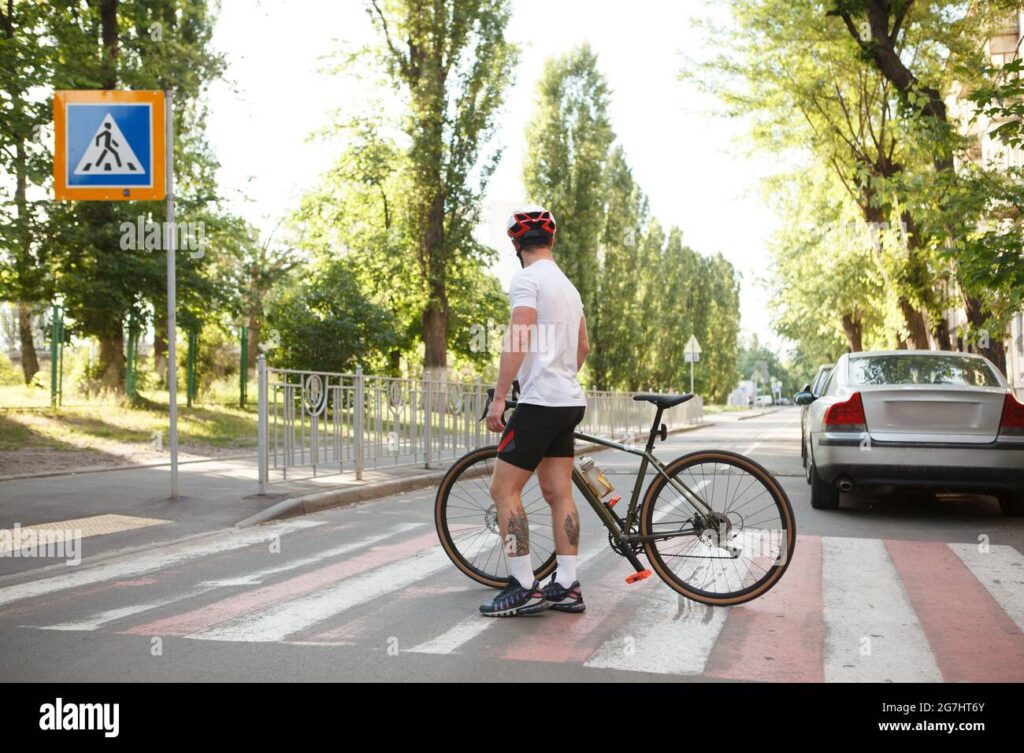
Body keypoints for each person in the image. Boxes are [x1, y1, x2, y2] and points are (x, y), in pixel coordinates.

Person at [479, 206, 590, 617]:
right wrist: (559, 376)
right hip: (568, 401)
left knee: (502, 490)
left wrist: (500, 396)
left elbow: (519, 333)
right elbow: (583, 348)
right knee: (558, 492)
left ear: (515, 244)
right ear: (552, 241)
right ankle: (567, 583)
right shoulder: (568, 286)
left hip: (540, 403)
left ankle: (524, 583)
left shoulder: (526, 279)